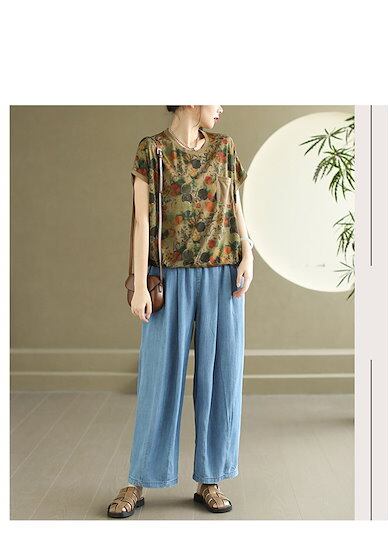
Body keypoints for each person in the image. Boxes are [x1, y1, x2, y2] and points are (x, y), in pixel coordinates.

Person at [107, 105, 254, 517]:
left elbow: (235, 205)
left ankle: (211, 478)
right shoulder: (152, 150)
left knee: (221, 380)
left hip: (222, 275)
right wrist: (140, 283)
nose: (221, 106)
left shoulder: (225, 147)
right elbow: (141, 222)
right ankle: (138, 479)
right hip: (169, 278)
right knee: (158, 380)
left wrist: (248, 253)